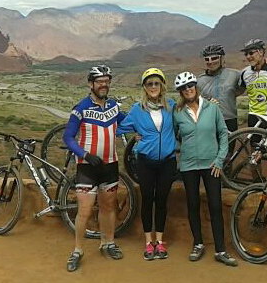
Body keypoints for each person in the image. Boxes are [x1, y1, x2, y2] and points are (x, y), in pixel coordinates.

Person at [63, 64, 125, 272]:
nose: (104, 85)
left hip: (110, 165)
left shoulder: (115, 107)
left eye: (106, 81)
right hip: (87, 168)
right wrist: (85, 155)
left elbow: (129, 125)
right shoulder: (81, 108)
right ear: (91, 84)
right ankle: (78, 250)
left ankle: (108, 242)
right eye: (100, 81)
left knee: (108, 208)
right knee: (85, 211)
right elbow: (68, 137)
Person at [172, 71, 238, 267]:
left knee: (215, 206)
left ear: (196, 86)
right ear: (180, 92)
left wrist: (219, 160)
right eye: (184, 88)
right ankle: (198, 244)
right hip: (188, 165)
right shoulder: (177, 113)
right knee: (193, 205)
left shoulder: (212, 108)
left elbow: (223, 135)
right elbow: (174, 136)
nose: (188, 89)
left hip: (211, 165)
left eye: (190, 85)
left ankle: (220, 250)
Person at [117, 68, 176, 261]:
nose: (153, 87)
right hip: (145, 162)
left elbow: (190, 116)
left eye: (156, 83)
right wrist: (134, 135)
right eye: (149, 84)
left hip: (167, 162)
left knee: (161, 200)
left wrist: (211, 105)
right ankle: (148, 243)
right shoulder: (137, 109)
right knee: (147, 199)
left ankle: (160, 241)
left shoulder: (172, 106)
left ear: (162, 86)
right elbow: (119, 128)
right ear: (144, 87)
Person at [196, 44, 244, 132]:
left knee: (229, 145)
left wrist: (266, 63)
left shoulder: (235, 74)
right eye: (207, 59)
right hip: (209, 120)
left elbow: (251, 76)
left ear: (222, 58)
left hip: (229, 119)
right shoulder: (199, 80)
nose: (210, 62)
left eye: (214, 58)